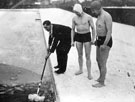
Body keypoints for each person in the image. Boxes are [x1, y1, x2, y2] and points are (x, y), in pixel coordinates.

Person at [90, 0, 113, 88]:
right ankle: (100, 77)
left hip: (106, 41)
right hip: (99, 40)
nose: (93, 13)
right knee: (98, 59)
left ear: (98, 8)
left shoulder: (106, 16)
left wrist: (104, 44)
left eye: (94, 10)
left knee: (103, 62)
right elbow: (99, 29)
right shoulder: (99, 15)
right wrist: (96, 40)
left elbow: (109, 32)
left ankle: (102, 82)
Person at [71, 3, 96, 80]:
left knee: (87, 56)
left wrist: (93, 39)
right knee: (79, 54)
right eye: (75, 12)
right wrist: (72, 40)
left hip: (86, 36)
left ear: (80, 10)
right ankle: (81, 69)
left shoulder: (88, 17)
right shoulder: (74, 18)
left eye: (77, 12)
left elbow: (93, 28)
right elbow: (72, 30)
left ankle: (89, 73)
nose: (76, 14)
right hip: (78, 36)